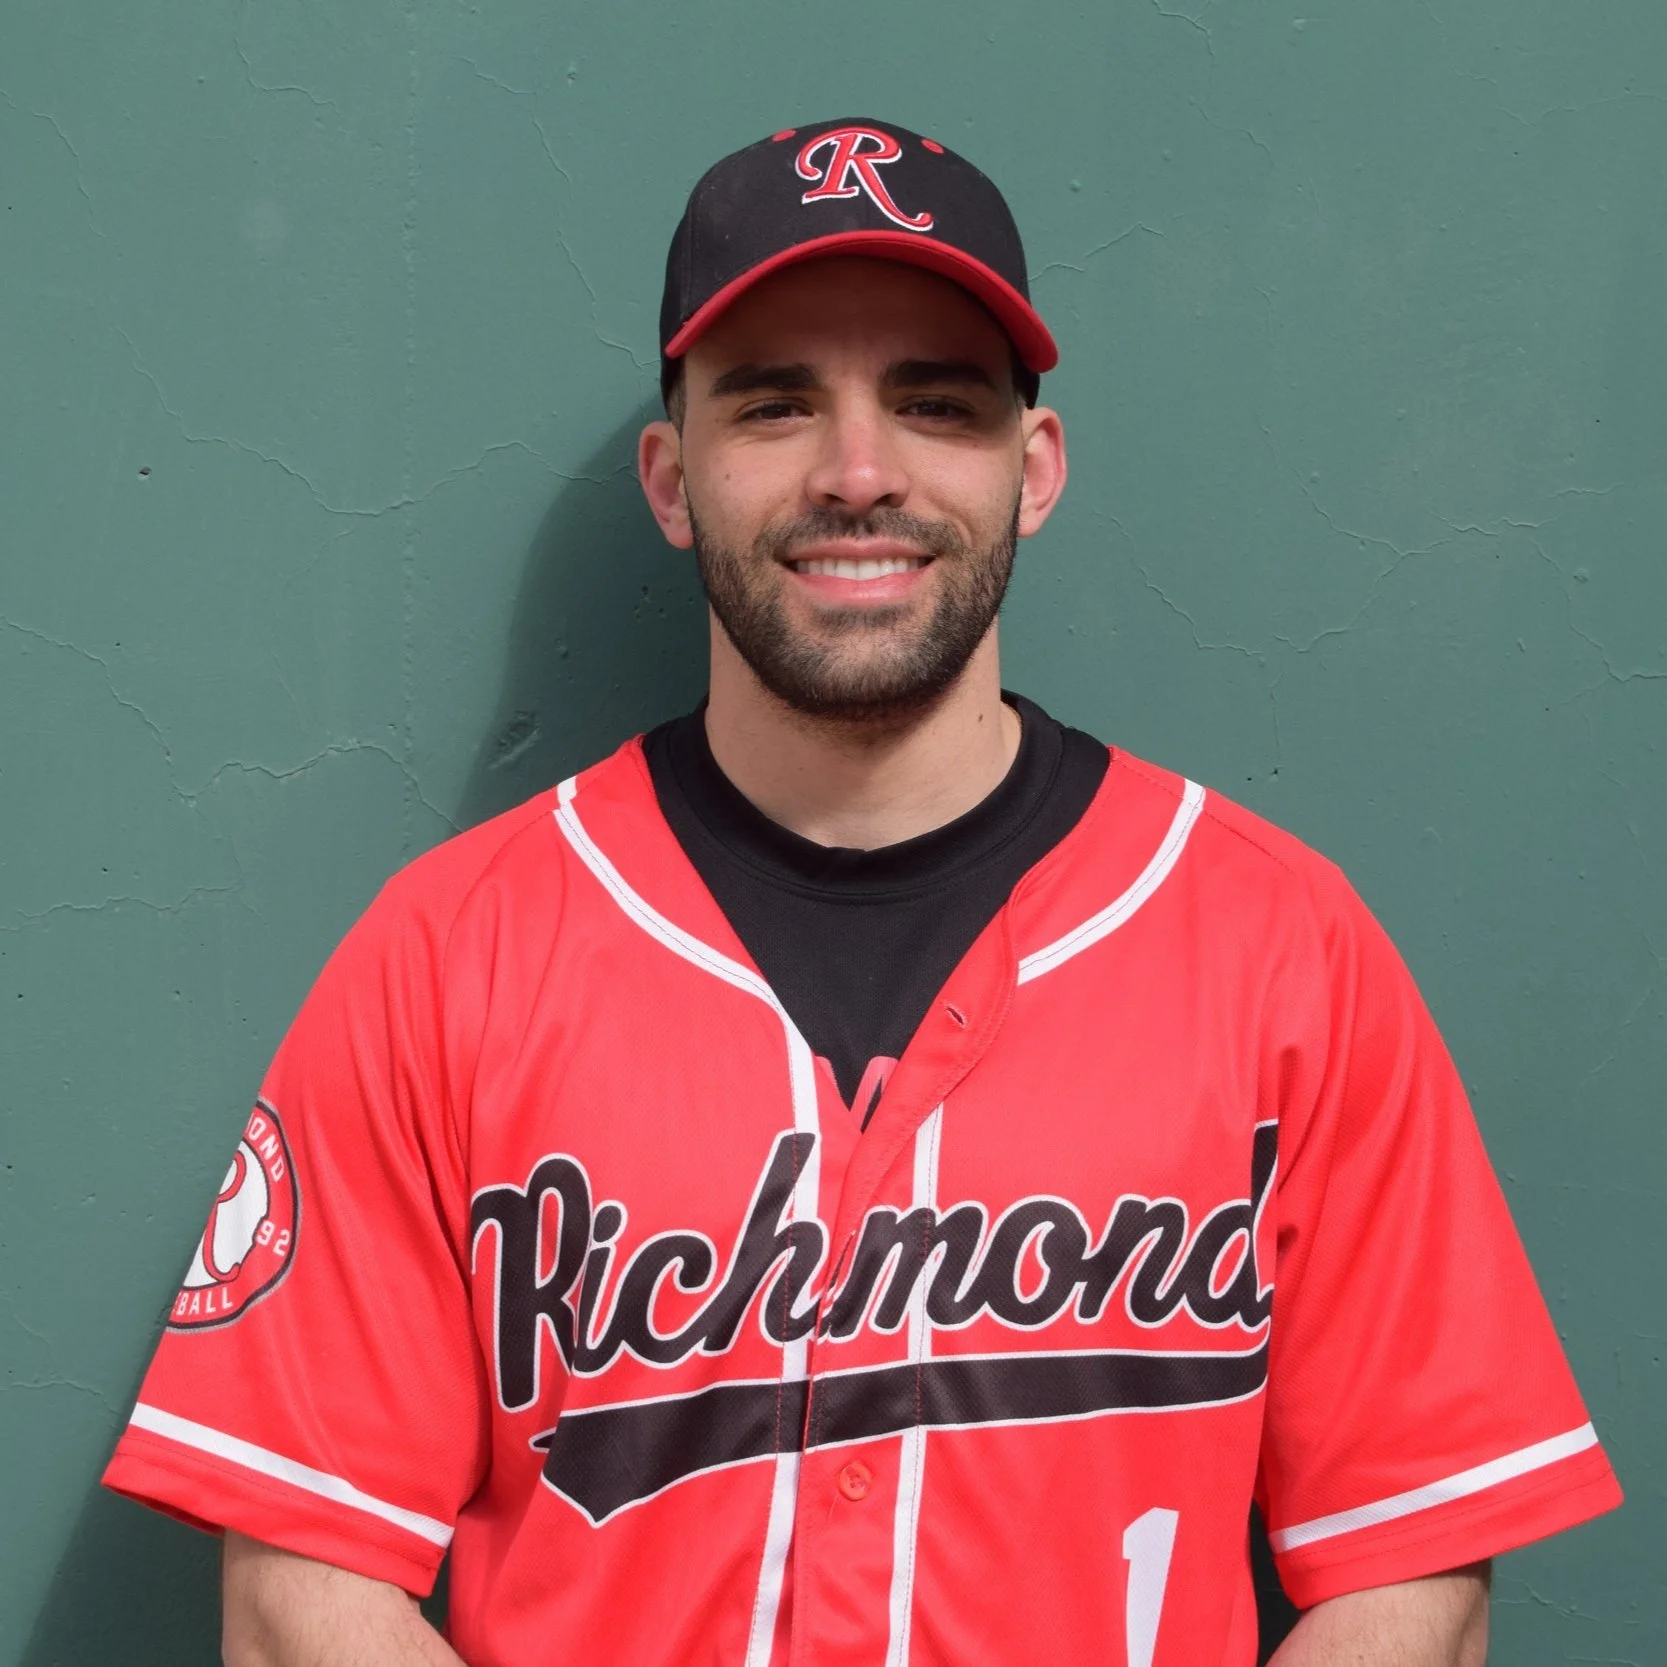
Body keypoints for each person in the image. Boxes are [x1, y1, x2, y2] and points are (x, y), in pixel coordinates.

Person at [103, 118, 1620, 1667]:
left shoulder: (1278, 947)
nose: (856, 472)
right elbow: (301, 1591)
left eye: (934, 402)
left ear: (1033, 469)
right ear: (671, 478)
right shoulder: (449, 955)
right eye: (773, 403)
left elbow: (1409, 1568)